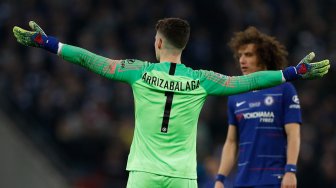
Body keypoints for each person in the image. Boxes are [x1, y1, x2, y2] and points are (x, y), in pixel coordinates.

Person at [13, 18, 329, 188]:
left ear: (160, 43)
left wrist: (49, 44)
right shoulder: (203, 79)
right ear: (184, 46)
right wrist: (291, 72)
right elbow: (246, 82)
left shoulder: (138, 70)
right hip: (182, 175)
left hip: (144, 173)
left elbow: (90, 60)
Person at [214, 27, 309, 188]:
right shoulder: (235, 94)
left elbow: (294, 134)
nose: (242, 60)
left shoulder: (284, 89)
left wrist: (290, 170)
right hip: (242, 182)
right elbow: (231, 142)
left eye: (248, 55)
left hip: (275, 179)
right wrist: (220, 179)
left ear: (264, 57)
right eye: (240, 55)